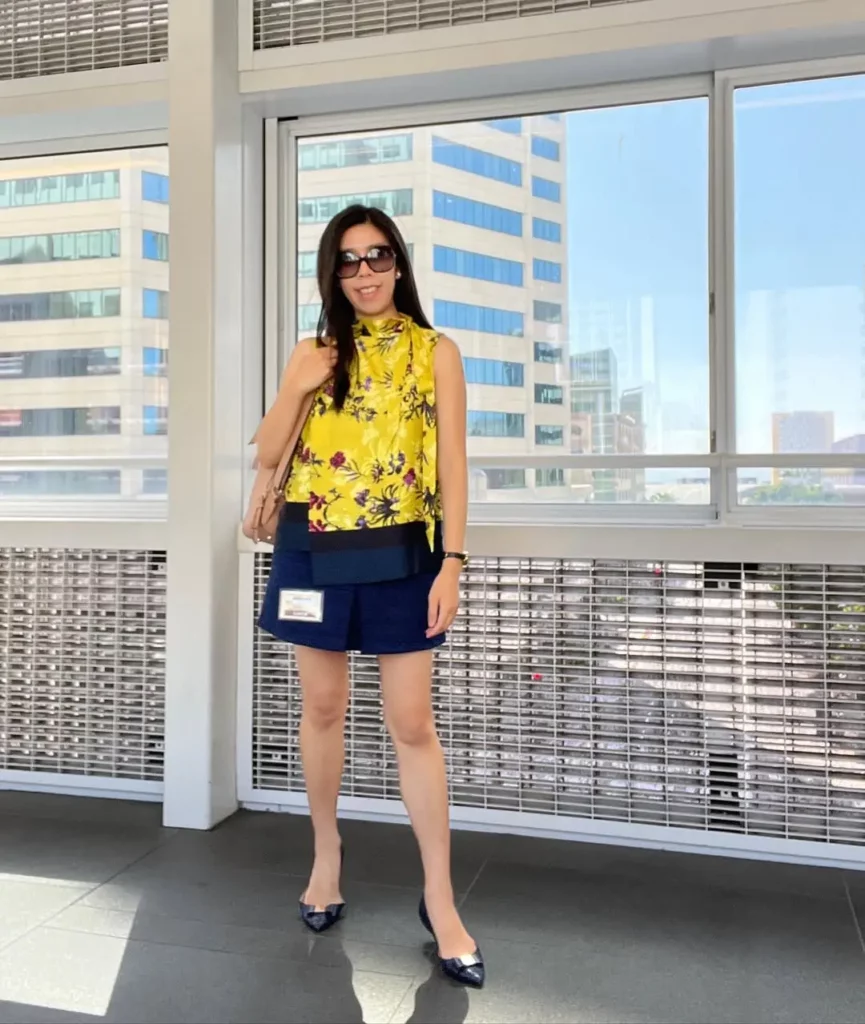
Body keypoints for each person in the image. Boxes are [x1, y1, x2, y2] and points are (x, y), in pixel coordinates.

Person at [256, 205, 483, 989]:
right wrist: (295, 383)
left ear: (399, 263)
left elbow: (451, 462)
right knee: (321, 708)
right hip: (310, 548)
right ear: (331, 274)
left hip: (401, 553)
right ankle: (326, 854)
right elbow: (266, 448)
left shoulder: (436, 352)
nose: (364, 272)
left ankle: (440, 898)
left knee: (411, 723)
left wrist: (452, 561)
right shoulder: (311, 350)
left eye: (376, 256)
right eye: (347, 261)